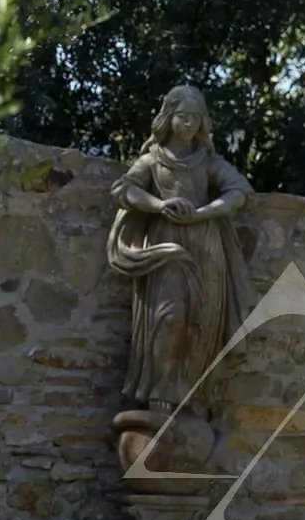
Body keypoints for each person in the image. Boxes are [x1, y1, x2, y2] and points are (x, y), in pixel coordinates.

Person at [107, 85, 256, 412]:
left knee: (201, 320)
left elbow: (239, 192)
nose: (189, 124)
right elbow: (123, 190)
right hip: (167, 245)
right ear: (168, 117)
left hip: (205, 246)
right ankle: (161, 387)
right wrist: (160, 205)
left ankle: (191, 394)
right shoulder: (152, 160)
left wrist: (203, 212)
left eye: (195, 118)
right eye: (182, 117)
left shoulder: (208, 162)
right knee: (169, 316)